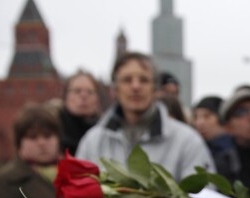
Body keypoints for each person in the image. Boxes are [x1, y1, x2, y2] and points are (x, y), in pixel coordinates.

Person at [75, 52, 213, 181]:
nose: (136, 86)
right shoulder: (93, 142)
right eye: (127, 80)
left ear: (155, 88)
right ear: (115, 89)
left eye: (144, 80)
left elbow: (202, 196)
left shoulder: (187, 141)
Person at [59, 70, 103, 156]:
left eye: (90, 92)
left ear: (97, 99)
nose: (83, 96)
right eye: (77, 91)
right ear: (66, 97)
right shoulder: (53, 129)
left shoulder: (107, 132)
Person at [192, 95, 233, 159]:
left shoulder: (238, 150)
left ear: (222, 118)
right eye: (196, 117)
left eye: (207, 116)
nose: (199, 122)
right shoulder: (193, 150)